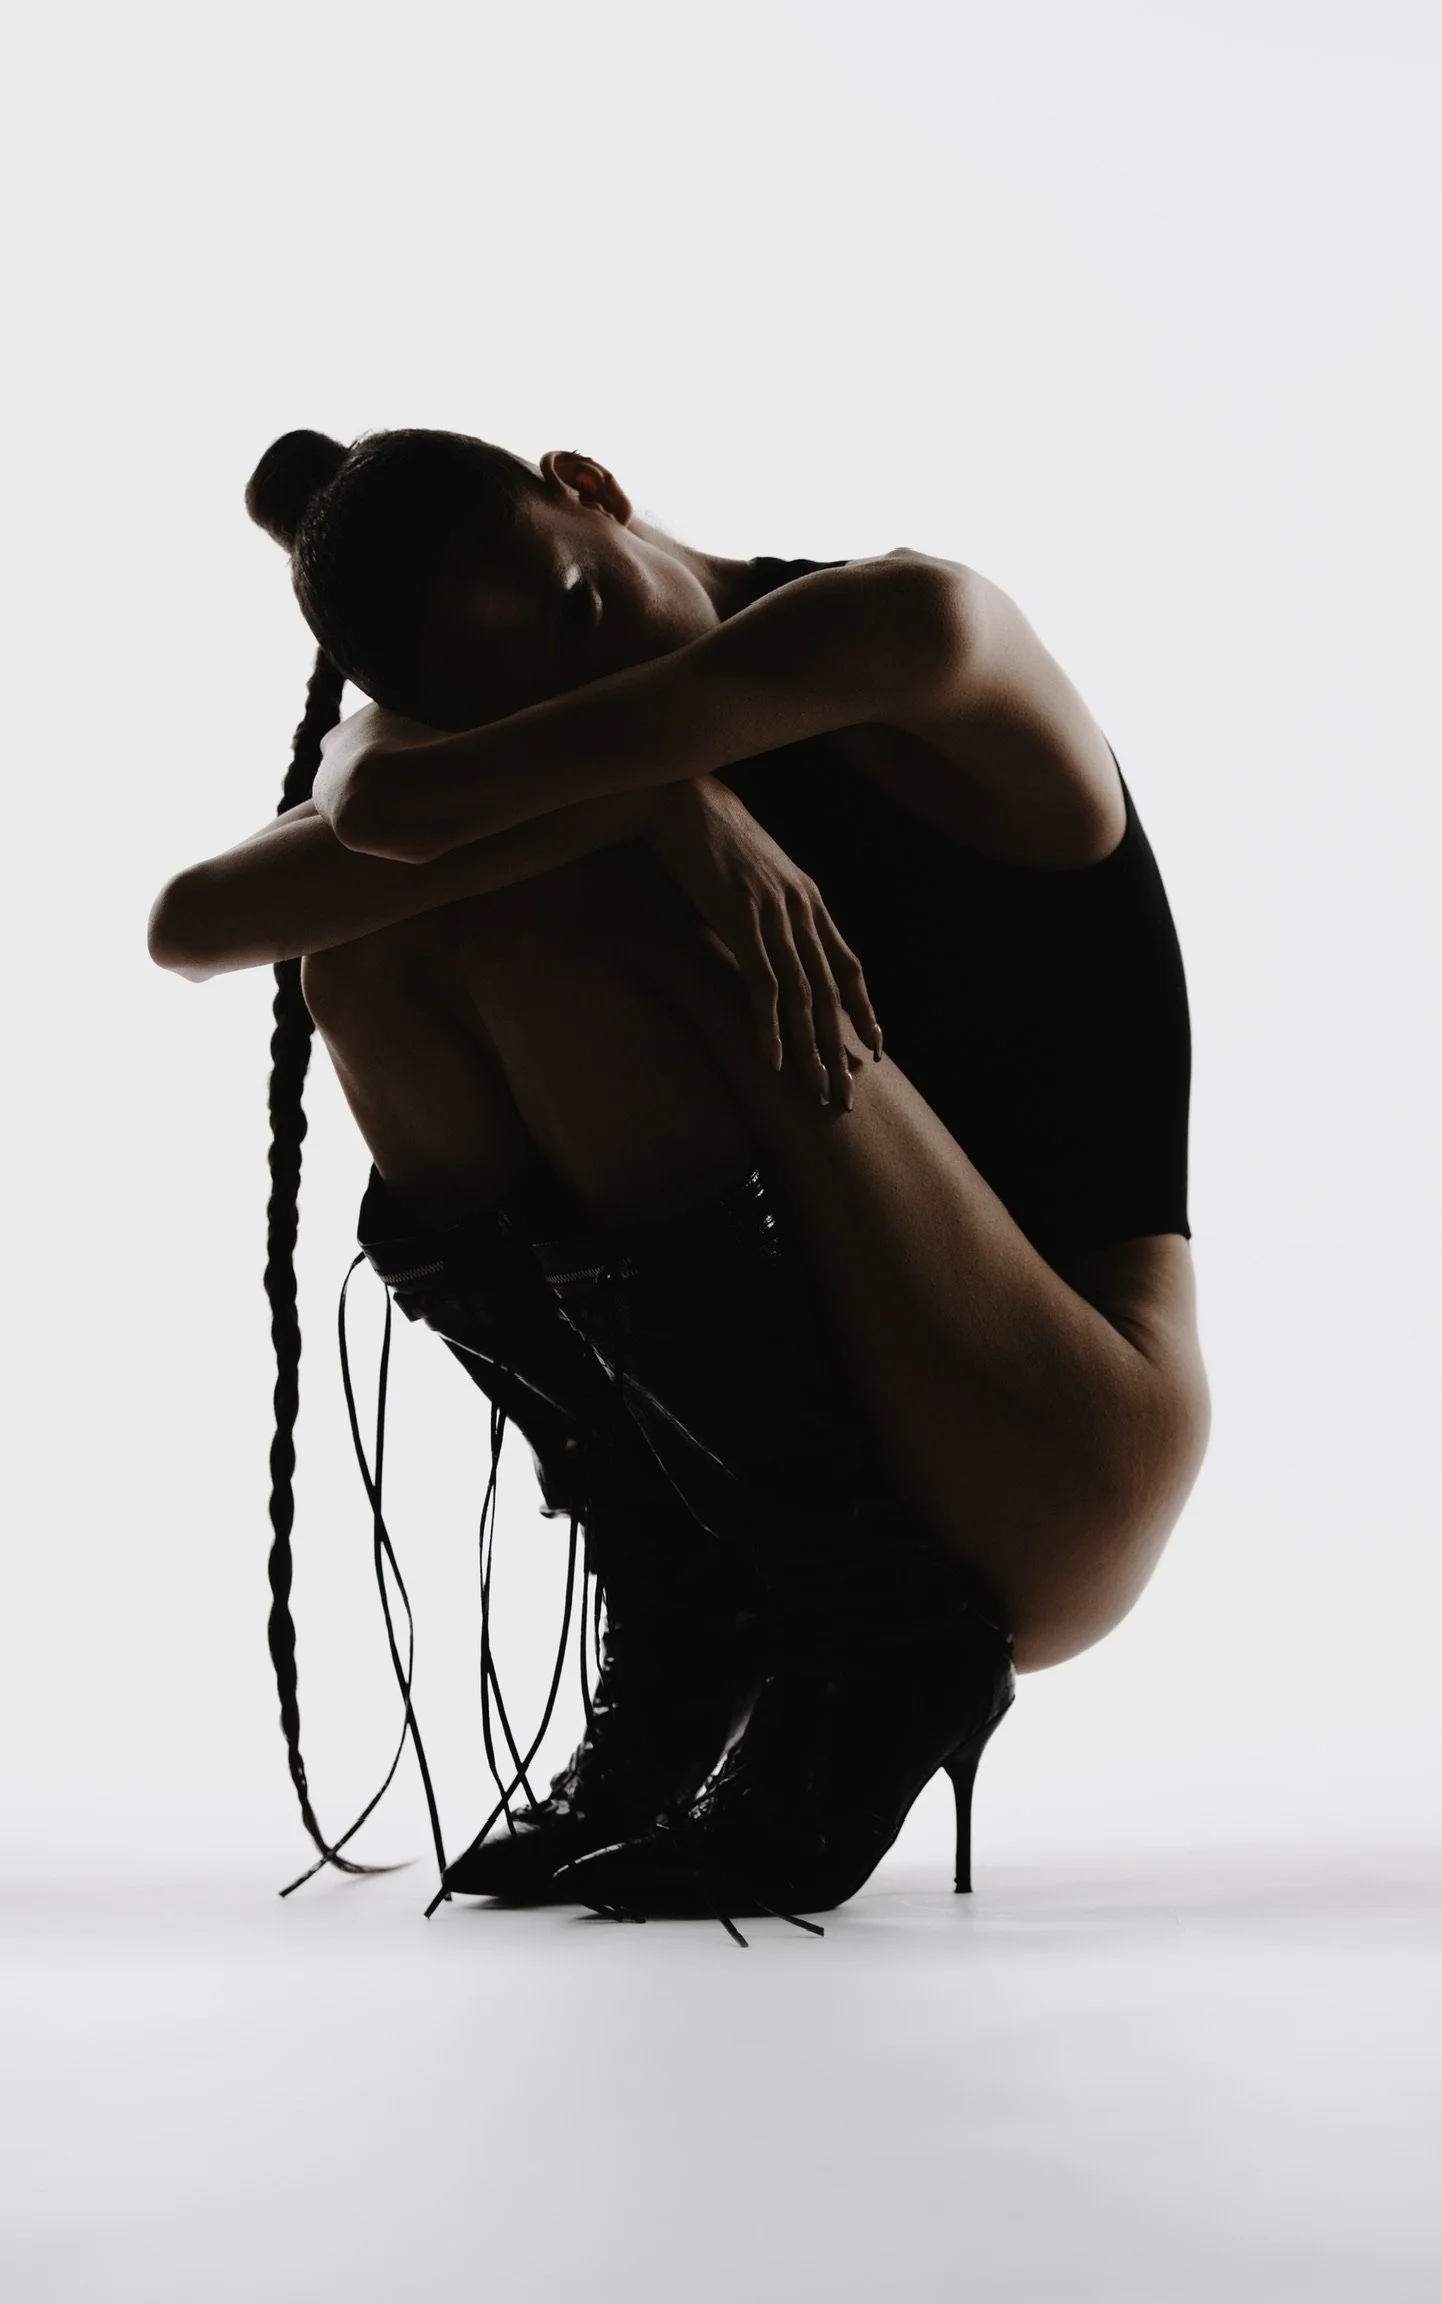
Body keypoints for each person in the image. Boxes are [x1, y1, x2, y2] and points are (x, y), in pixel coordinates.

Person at [147, 427, 1212, 1938]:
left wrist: (457, 772)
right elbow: (194, 923)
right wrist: (668, 804)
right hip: (843, 1441)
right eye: (518, 707)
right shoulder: (609, 749)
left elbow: (383, 813)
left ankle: (886, 1644)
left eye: (581, 607)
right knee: (368, 960)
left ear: (589, 485)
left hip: (1064, 1437)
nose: (582, 694)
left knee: (551, 916)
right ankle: (692, 1601)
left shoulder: (912, 625)